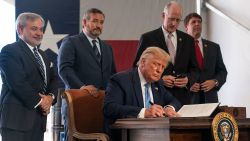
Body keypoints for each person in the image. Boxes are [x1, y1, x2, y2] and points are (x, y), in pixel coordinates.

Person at [58, 8, 116, 141]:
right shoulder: (71, 42)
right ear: (84, 22)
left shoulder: (107, 48)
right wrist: (82, 87)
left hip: (103, 106)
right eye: (95, 21)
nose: (98, 25)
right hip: (78, 104)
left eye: (101, 22)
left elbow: (112, 74)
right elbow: (64, 69)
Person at [0, 12, 58, 141]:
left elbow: (55, 79)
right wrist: (42, 102)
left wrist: (50, 97)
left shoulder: (43, 55)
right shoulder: (9, 51)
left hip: (39, 122)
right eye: (34, 29)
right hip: (16, 122)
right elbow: (18, 83)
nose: (39, 33)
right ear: (20, 29)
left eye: (41, 29)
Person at [104, 47, 181, 141]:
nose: (159, 70)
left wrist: (169, 108)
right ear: (143, 62)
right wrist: (144, 112)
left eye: (163, 67)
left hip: (157, 133)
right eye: (157, 64)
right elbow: (109, 108)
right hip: (128, 134)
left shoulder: (157, 84)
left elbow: (174, 101)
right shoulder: (121, 80)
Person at [133, 1, 199, 105]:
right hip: (156, 99)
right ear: (163, 15)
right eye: (171, 19)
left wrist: (188, 79)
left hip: (182, 100)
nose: (174, 23)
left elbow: (195, 70)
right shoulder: (148, 38)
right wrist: (159, 79)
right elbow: (137, 68)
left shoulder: (188, 40)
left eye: (178, 20)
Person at [184, 13, 227, 103]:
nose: (197, 24)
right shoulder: (180, 47)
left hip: (210, 99)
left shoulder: (214, 47)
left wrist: (215, 82)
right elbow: (177, 72)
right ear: (186, 27)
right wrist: (188, 84)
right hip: (189, 100)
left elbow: (222, 71)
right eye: (193, 22)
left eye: (199, 22)